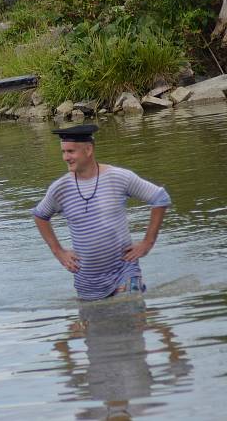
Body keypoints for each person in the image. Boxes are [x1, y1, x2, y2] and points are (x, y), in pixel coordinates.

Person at [32, 124, 171, 301]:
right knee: (98, 325)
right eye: (63, 152)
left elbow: (160, 198)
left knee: (130, 314)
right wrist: (58, 252)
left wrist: (147, 242)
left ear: (88, 150)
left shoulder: (118, 177)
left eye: (71, 151)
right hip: (87, 281)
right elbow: (40, 215)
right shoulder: (60, 188)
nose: (66, 157)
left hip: (124, 271)